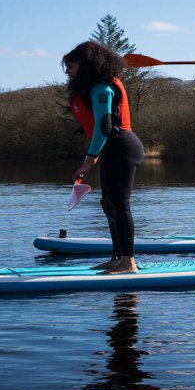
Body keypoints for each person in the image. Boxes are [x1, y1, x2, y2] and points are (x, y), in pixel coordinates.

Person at [65, 41, 145, 274]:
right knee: (108, 203)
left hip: (122, 146)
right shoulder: (93, 86)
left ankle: (128, 262)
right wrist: (95, 155)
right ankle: (117, 257)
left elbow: (104, 127)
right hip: (112, 147)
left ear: (88, 65)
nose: (68, 70)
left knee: (120, 205)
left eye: (72, 65)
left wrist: (90, 158)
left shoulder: (102, 87)